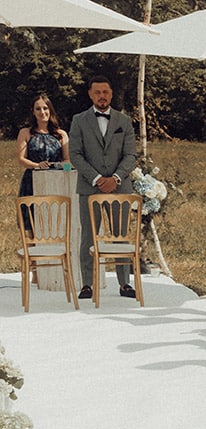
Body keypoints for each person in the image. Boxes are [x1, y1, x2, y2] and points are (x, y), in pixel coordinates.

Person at [68, 76, 138, 299]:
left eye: (105, 92)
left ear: (111, 94)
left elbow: (130, 155)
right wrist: (97, 178)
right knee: (88, 236)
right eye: (97, 92)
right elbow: (75, 155)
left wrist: (115, 178)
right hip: (90, 188)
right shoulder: (79, 120)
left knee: (120, 236)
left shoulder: (124, 121)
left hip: (119, 188)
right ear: (90, 94)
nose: (102, 96)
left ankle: (125, 283)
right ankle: (87, 284)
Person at [17, 94, 70, 198]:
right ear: (33, 112)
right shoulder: (25, 132)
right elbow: (21, 159)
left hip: (57, 180)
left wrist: (63, 170)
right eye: (38, 109)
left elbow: (68, 161)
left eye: (45, 108)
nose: (42, 112)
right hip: (31, 181)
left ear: (50, 110)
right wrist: (38, 166)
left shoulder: (61, 134)